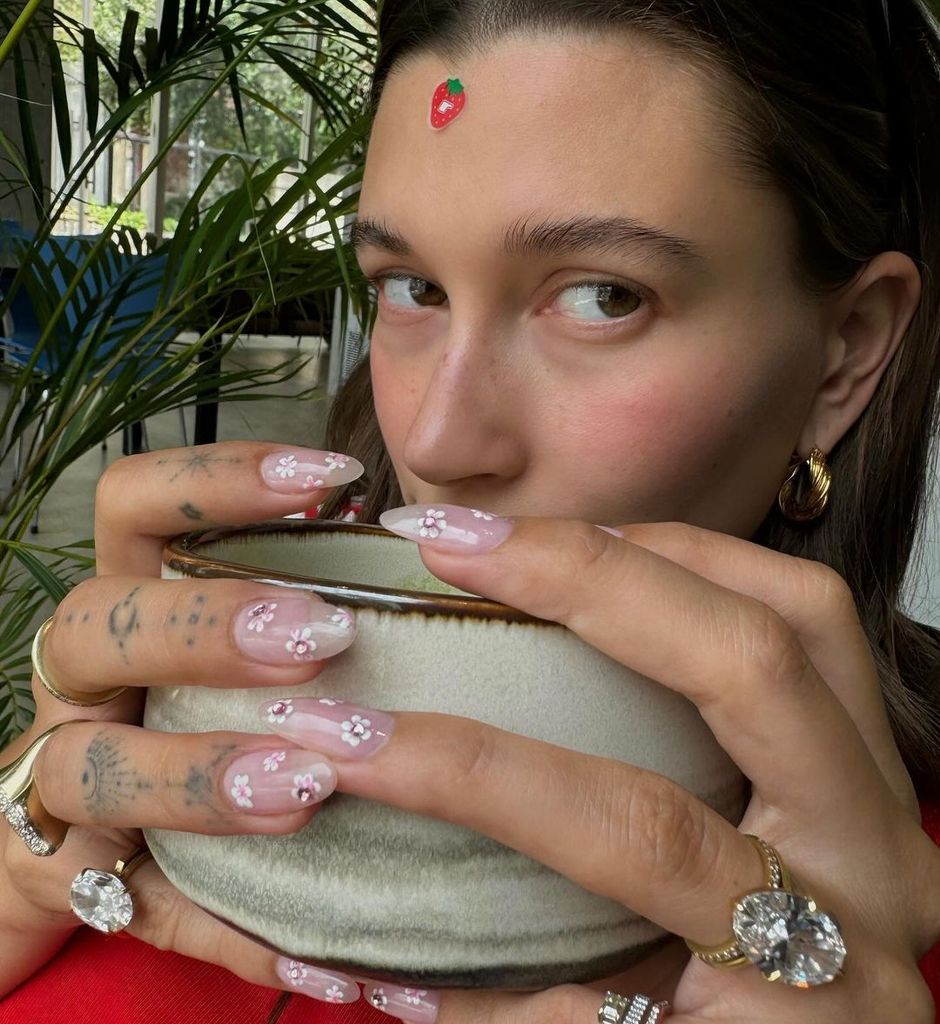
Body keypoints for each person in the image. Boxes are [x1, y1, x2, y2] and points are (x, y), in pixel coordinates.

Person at [1, 0, 940, 1021]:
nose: (437, 442)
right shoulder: (140, 839)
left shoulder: (889, 946)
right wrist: (16, 878)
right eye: (410, 287)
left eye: (602, 298)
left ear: (844, 351)